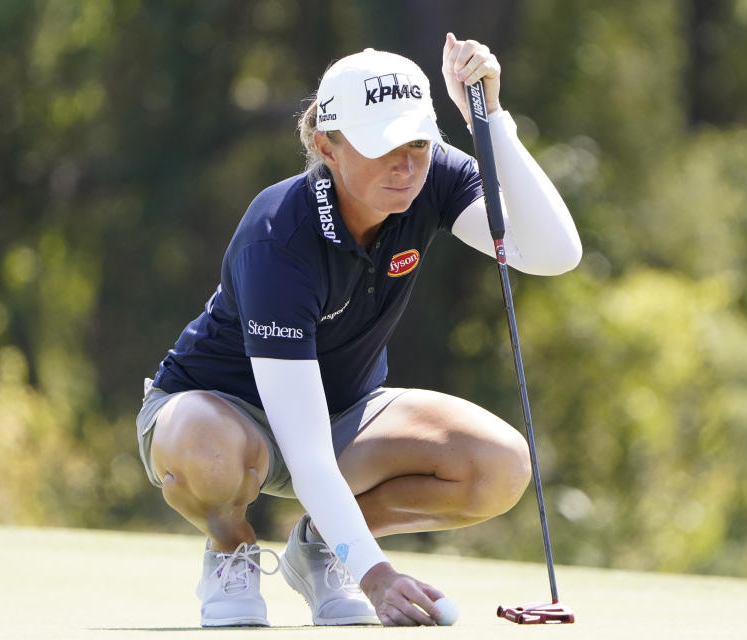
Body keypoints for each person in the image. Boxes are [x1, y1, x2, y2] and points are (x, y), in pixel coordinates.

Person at [135, 33, 581, 627]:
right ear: (328, 145)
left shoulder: (434, 177)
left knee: (497, 466)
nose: (405, 163)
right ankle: (230, 548)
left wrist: (490, 121)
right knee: (208, 446)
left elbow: (552, 253)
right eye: (383, 145)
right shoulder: (279, 236)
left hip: (348, 415)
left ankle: (321, 549)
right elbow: (306, 450)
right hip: (219, 414)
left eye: (419, 143)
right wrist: (377, 576)